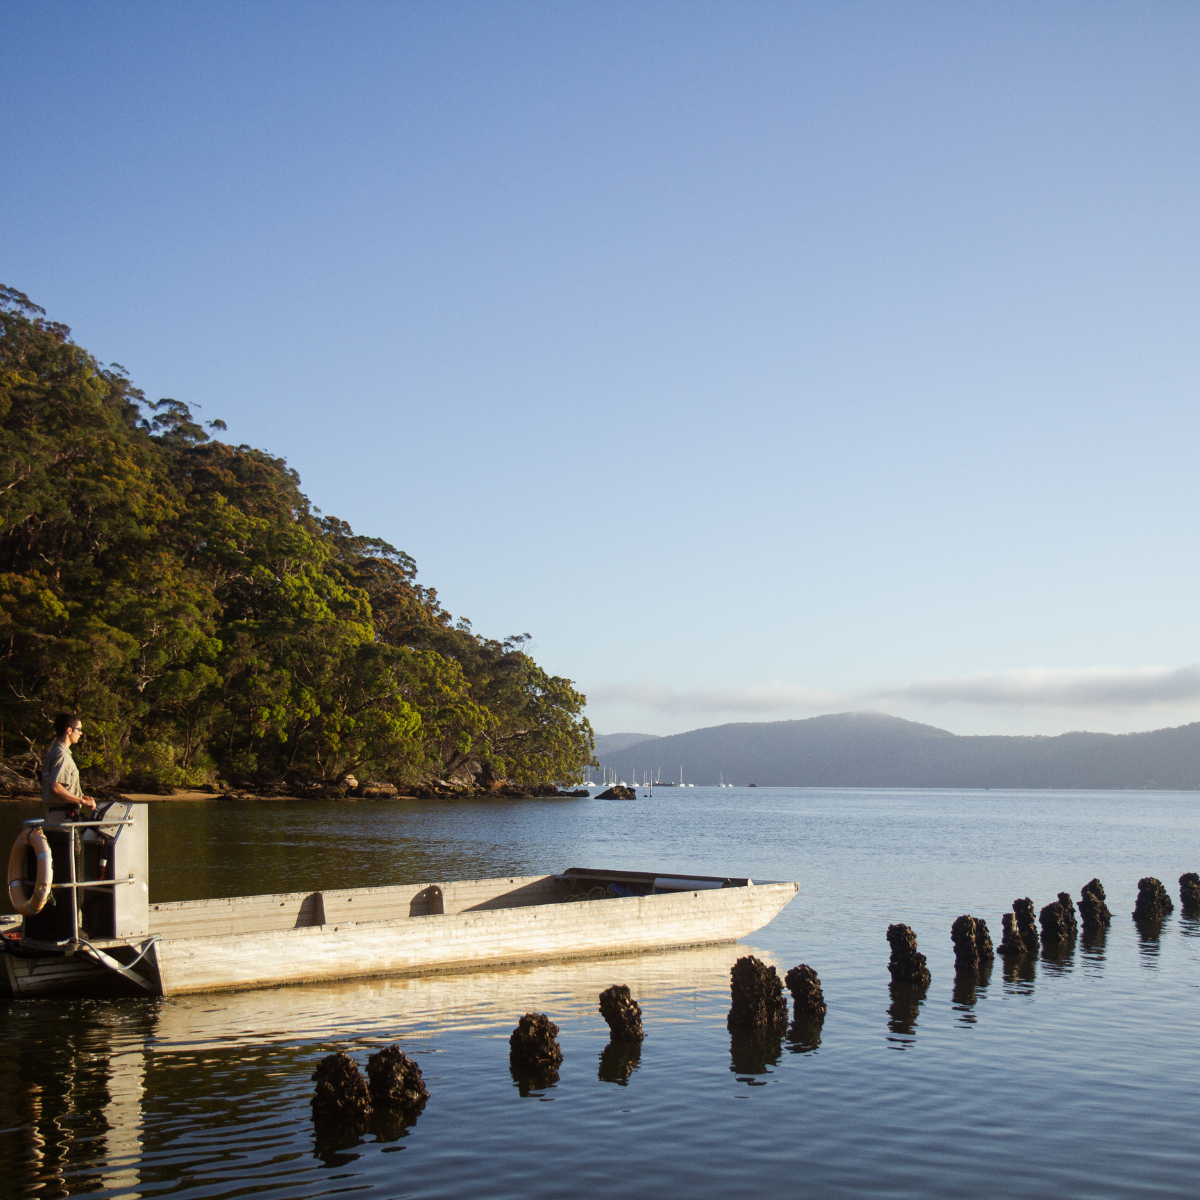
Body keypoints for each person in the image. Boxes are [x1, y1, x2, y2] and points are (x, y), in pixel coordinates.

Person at [42, 713, 96, 819]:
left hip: (53, 817)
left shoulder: (52, 753)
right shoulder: (62, 755)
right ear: (69, 730)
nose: (81, 733)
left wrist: (82, 796)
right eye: (79, 729)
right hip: (63, 819)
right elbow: (55, 787)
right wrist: (82, 801)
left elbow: (60, 789)